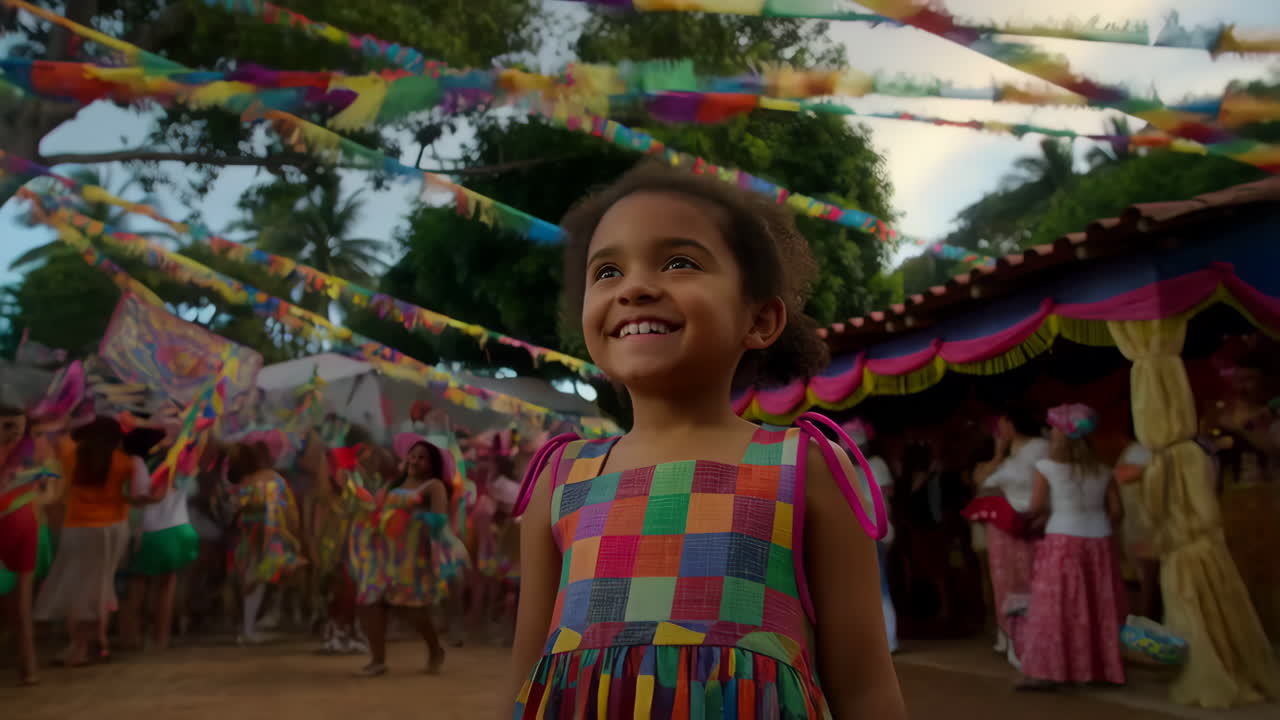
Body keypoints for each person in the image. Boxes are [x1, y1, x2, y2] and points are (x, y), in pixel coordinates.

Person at [505, 164, 904, 719]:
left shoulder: (806, 465)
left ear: (760, 319)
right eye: (608, 272)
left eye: (680, 263)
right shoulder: (561, 477)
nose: (635, 288)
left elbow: (866, 689)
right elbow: (528, 675)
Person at [1018, 403, 1126, 689]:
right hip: (1099, 540)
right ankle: (1099, 669)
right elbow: (1116, 512)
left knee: (1057, 607)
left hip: (1062, 539)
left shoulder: (1046, 468)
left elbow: (1037, 506)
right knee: (1098, 605)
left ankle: (1054, 671)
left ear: (1060, 434)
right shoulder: (1104, 471)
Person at [345, 433, 451, 677]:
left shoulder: (434, 487)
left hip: (411, 557)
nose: (415, 461)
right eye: (412, 456)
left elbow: (440, 521)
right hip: (381, 554)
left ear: (432, 463)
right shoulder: (392, 485)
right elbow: (376, 509)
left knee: (411, 610)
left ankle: (435, 649)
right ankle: (377, 660)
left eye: (422, 458)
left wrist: (418, 514)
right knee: (371, 603)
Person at [35, 416, 133, 666]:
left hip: (79, 528)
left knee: (78, 588)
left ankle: (77, 648)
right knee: (101, 586)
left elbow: (55, 435)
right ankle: (99, 643)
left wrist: (66, 415)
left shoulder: (71, 454)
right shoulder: (124, 462)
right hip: (114, 528)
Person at [972, 406, 1049, 669]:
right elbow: (981, 480)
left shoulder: (1039, 447)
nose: (999, 429)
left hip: (1031, 525)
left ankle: (1034, 639)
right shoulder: (1009, 453)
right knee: (1004, 582)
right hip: (1004, 527)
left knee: (1031, 582)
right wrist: (998, 452)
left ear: (1014, 423)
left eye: (1002, 422)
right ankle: (1010, 636)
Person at [0, 395, 63, 686]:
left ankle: (29, 666)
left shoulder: (36, 449)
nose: (10, 431)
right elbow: (53, 488)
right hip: (26, 525)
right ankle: (28, 667)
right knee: (21, 605)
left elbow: (54, 486)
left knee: (23, 604)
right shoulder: (34, 449)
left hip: (23, 529)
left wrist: (38, 499)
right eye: (6, 425)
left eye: (15, 425)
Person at [119, 427, 198, 651]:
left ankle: (131, 636)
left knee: (137, 587)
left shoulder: (148, 468)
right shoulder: (183, 466)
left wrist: (122, 498)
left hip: (154, 532)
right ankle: (160, 639)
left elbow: (154, 497)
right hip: (180, 529)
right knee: (166, 589)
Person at [224, 440, 306, 645]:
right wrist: (294, 533)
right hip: (272, 536)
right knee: (267, 578)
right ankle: (252, 627)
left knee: (254, 579)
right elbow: (289, 511)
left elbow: (235, 512)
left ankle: (249, 627)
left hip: (250, 536)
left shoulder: (243, 484)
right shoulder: (275, 479)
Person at [846, 417, 899, 654]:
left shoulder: (842, 467)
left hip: (861, 533)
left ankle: (882, 641)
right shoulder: (877, 464)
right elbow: (888, 498)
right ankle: (888, 640)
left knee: (867, 587)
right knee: (880, 586)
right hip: (878, 530)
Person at [1114, 422, 1159, 620]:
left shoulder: (1141, 451)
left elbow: (1122, 476)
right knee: (1147, 576)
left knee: (1149, 577)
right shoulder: (1140, 451)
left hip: (1144, 523)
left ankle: (1147, 620)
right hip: (1139, 521)